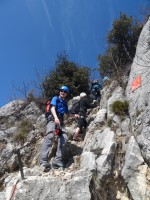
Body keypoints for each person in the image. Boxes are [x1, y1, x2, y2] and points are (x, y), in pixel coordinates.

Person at [40, 85, 79, 172]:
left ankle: (57, 161)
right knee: (50, 136)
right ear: (60, 91)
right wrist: (55, 118)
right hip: (53, 119)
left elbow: (68, 114)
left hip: (60, 121)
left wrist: (74, 115)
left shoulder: (64, 103)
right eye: (61, 90)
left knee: (64, 138)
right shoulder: (55, 98)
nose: (62, 92)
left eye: (65, 91)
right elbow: (53, 108)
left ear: (66, 94)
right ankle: (43, 161)